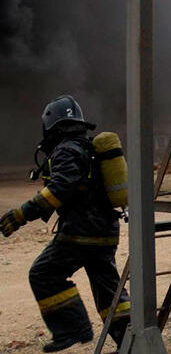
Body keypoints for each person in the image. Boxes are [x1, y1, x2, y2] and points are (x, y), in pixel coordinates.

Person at [0, 95, 129, 352]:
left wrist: (22, 215)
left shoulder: (67, 149)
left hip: (81, 233)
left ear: (53, 126)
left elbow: (61, 188)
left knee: (43, 274)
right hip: (105, 231)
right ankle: (130, 345)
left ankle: (71, 329)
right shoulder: (87, 147)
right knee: (109, 293)